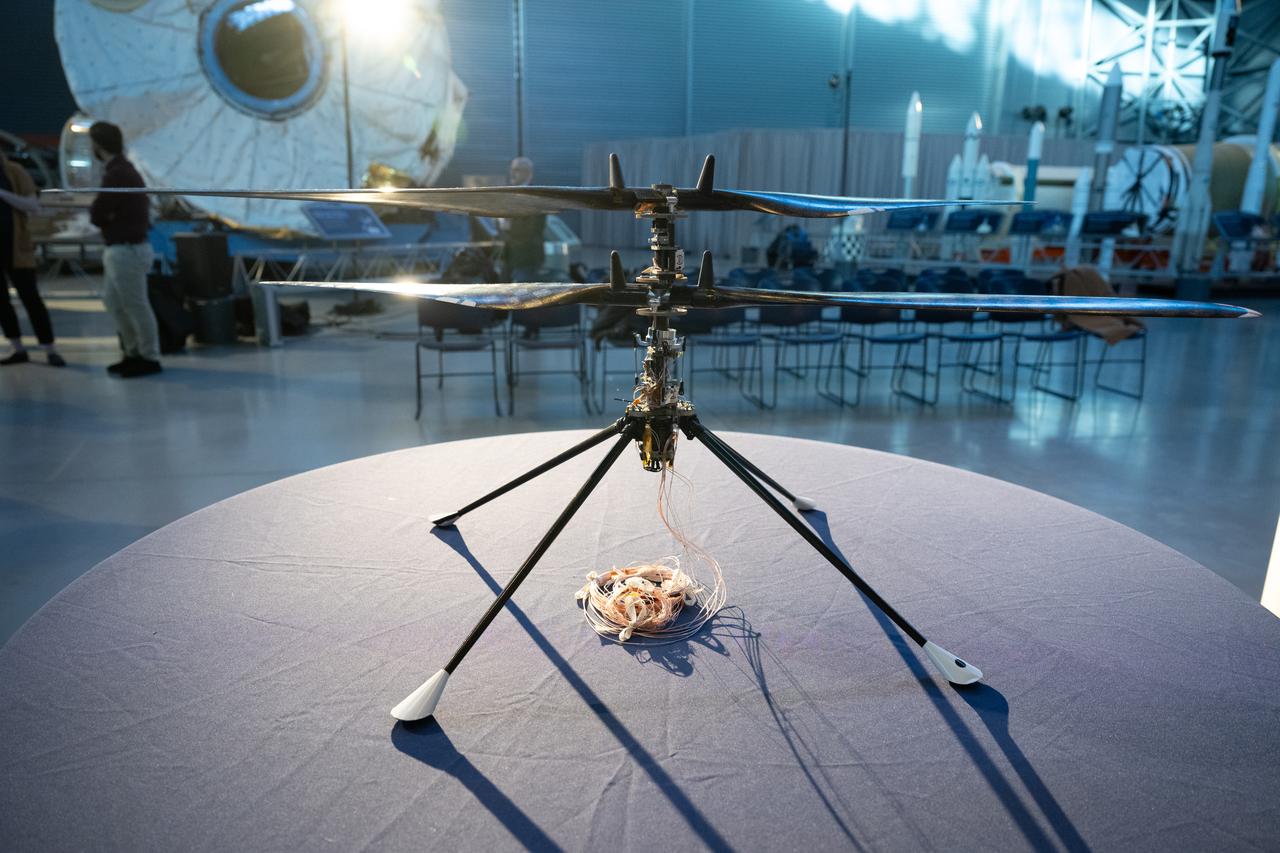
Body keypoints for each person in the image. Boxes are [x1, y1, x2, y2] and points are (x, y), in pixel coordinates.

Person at [88, 121, 161, 378]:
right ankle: (133, 353)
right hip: (122, 249)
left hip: (127, 250)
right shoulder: (121, 170)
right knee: (116, 303)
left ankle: (149, 356)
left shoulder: (118, 173)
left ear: (97, 145)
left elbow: (97, 213)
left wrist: (106, 217)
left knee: (135, 305)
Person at [0, 153, 64, 366]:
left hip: (17, 246)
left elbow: (32, 204)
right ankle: (17, 347)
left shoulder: (14, 171)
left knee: (31, 297)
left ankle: (49, 348)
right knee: (2, 302)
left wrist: (2, 194)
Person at [502, 156, 546, 282]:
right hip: (511, 255)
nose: (512, 173)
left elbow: (531, 230)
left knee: (522, 297)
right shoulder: (514, 193)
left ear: (527, 172)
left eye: (516, 169)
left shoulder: (536, 196)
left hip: (526, 257)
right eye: (511, 169)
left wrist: (508, 227)